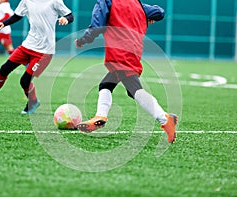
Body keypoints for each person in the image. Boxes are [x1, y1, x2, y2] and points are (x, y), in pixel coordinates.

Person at [75, 0, 178, 143]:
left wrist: (84, 40)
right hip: (133, 50)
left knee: (133, 88)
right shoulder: (136, 3)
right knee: (106, 85)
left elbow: (97, 25)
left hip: (119, 51)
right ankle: (100, 117)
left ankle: (165, 119)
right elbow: (159, 12)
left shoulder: (106, 1)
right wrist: (147, 16)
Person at [0, 0, 74, 114]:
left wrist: (66, 19)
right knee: (4, 69)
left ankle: (32, 102)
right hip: (27, 46)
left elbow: (70, 16)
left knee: (25, 81)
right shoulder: (26, 1)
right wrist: (4, 23)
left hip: (44, 52)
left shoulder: (55, 1)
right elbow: (17, 15)